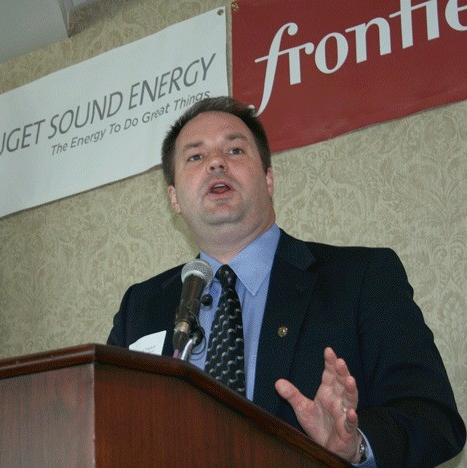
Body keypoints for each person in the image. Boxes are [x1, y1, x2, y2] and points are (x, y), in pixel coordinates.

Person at [107, 96, 466, 466]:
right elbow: (109, 431)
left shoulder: (361, 276)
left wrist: (354, 443)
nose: (216, 162)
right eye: (195, 157)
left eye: (234, 149)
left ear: (268, 178)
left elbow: (434, 420)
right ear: (175, 199)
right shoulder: (142, 305)